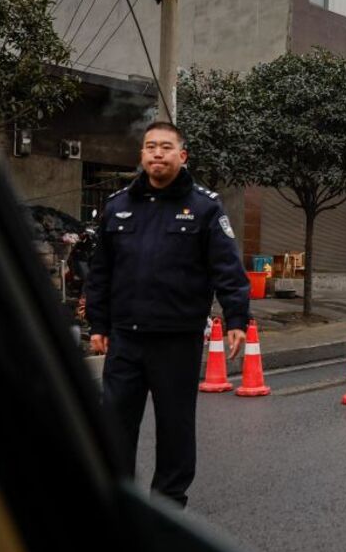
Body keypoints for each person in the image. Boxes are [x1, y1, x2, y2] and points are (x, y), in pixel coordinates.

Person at [86, 121, 250, 507]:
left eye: (165, 147)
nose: (157, 153)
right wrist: (98, 323)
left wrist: (237, 321)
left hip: (177, 340)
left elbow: (227, 269)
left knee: (175, 428)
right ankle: (118, 500)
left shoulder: (205, 207)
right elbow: (101, 272)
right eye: (150, 147)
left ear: (182, 155)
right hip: (126, 338)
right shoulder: (118, 206)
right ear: (142, 155)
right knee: (115, 425)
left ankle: (167, 506)